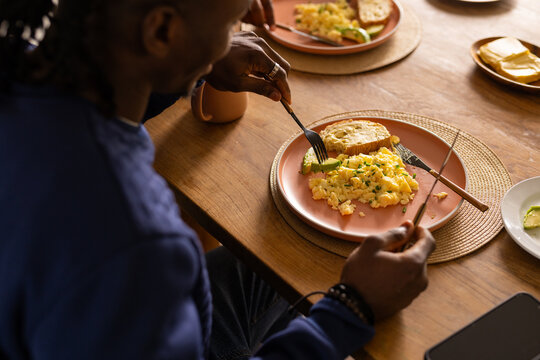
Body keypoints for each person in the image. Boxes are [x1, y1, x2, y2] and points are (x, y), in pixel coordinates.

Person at [0, 0, 435, 359]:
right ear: (162, 32)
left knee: (278, 257)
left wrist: (196, 58)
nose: (237, 35)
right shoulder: (137, 243)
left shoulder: (23, 67)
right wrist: (349, 309)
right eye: (231, 23)